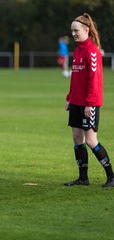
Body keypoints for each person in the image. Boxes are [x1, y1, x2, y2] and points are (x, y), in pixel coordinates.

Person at [64, 13, 114, 188]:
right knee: (77, 139)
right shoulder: (77, 50)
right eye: (72, 30)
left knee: (91, 140)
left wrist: (90, 104)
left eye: (76, 30)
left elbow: (94, 80)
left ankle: (111, 177)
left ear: (86, 30)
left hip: (88, 103)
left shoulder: (92, 51)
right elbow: (75, 77)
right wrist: (69, 98)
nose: (73, 33)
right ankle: (83, 178)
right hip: (76, 102)